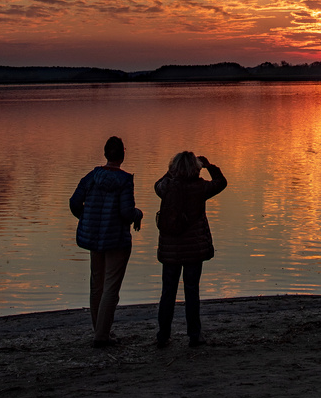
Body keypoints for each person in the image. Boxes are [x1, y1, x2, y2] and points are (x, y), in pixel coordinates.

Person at [69, 136, 143, 348]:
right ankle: (102, 335)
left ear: (105, 154)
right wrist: (138, 214)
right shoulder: (125, 180)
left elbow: (74, 202)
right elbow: (126, 212)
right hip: (116, 240)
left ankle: (99, 331)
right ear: (122, 155)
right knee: (110, 287)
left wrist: (87, 218)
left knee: (97, 285)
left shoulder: (91, 177)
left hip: (94, 238)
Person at [154, 151, 227, 348]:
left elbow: (156, 186)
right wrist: (209, 166)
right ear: (195, 168)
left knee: (168, 292)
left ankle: (163, 335)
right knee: (191, 291)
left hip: (170, 249)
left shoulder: (166, 187)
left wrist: (170, 173)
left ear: (174, 168)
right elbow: (221, 182)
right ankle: (195, 335)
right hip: (194, 248)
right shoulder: (200, 188)